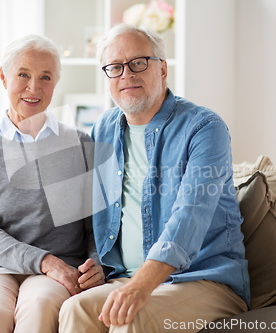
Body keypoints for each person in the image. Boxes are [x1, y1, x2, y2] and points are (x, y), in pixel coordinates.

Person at [59, 24, 250, 333]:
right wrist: (96, 260)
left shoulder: (204, 128)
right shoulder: (103, 129)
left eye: (138, 63)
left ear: (162, 69)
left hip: (202, 279)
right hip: (124, 276)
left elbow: (190, 215)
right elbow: (94, 212)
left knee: (131, 318)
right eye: (115, 67)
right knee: (74, 310)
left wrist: (142, 286)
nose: (126, 75)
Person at [0, 34, 105, 333]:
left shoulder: (80, 143)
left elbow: (94, 224)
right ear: (3, 77)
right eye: (23, 74)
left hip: (60, 269)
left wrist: (96, 264)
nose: (33, 88)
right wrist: (45, 261)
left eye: (45, 77)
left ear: (56, 83)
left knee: (38, 309)